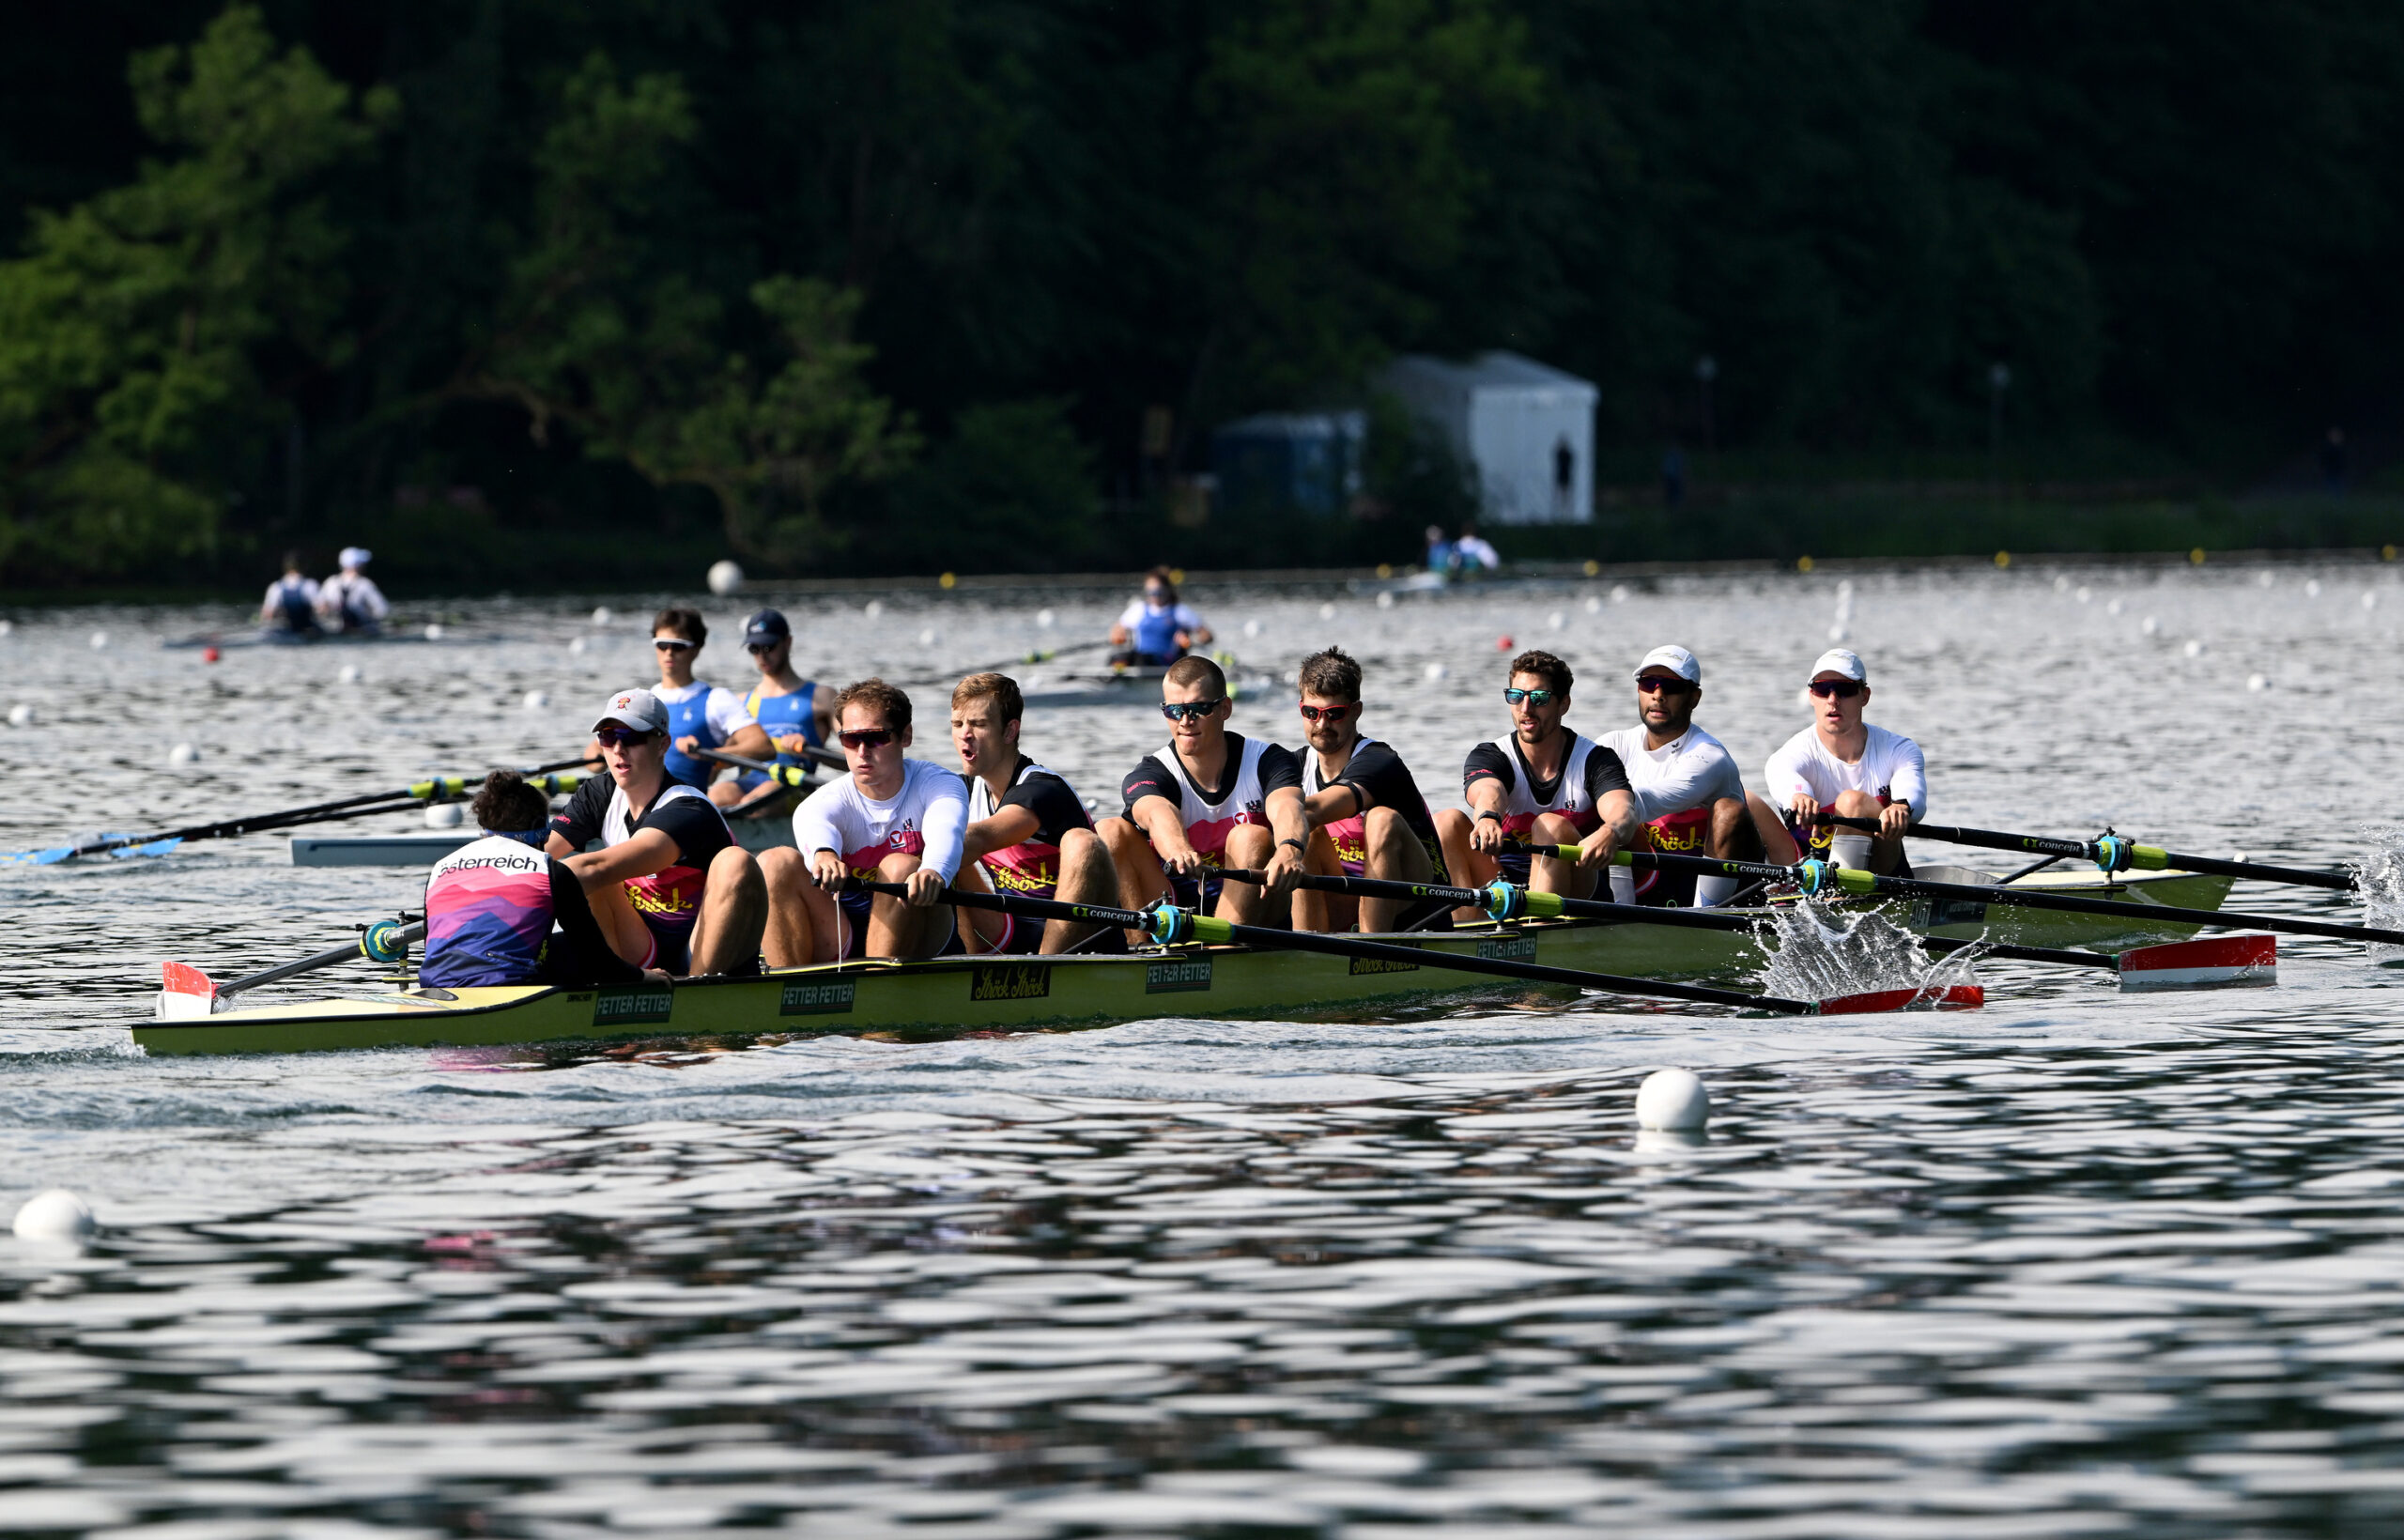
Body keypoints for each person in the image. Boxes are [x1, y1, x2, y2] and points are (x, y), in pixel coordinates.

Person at [546, 688, 768, 976]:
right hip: (641, 942)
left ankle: (698, 994)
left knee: (736, 861)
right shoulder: (598, 793)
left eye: (632, 737)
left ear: (663, 744)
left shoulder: (690, 808)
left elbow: (591, 868)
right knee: (585, 880)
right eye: (608, 737)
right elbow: (537, 855)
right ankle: (613, 986)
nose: (617, 749)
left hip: (704, 946)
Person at [760, 679, 968, 963]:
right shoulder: (824, 801)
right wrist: (823, 854)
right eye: (850, 739)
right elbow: (814, 827)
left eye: (876, 737)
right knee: (774, 861)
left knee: (900, 865)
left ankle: (877, 985)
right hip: (840, 931)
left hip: (921, 929)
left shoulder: (939, 784)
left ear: (905, 736)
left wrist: (934, 870)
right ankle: (783, 991)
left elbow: (948, 830)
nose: (862, 751)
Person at [1096, 654, 1306, 932]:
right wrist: (1180, 851)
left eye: (1198, 709)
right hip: (1176, 904)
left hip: (1260, 902)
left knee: (1250, 836)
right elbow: (1157, 812)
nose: (1185, 721)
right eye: (1174, 711)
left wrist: (1290, 849)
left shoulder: (1268, 761)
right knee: (1109, 830)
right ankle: (1142, 953)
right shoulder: (1151, 772)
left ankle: (1220, 950)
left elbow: (1287, 806)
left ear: (1225, 709)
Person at [1433, 649, 1637, 916]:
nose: (1525, 709)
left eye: (1539, 698)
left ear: (1564, 704)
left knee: (1548, 825)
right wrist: (1487, 817)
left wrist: (1611, 831)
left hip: (1580, 890)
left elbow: (1624, 811)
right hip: (1504, 884)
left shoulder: (1595, 760)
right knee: (1446, 822)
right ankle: (1465, 935)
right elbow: (1489, 790)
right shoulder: (1490, 755)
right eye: (1516, 697)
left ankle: (1539, 934)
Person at [422, 771, 666, 990]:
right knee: (581, 949)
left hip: (435, 981)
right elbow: (598, 962)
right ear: (539, 826)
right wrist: (644, 977)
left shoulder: (440, 868)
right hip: (509, 987)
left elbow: (431, 944)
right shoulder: (552, 872)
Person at [948, 672, 1119, 953]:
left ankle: (1046, 968)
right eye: (957, 724)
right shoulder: (961, 791)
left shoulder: (1044, 789)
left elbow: (983, 836)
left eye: (978, 724)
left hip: (1079, 938)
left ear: (1009, 731)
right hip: (1010, 934)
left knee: (1082, 841)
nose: (965, 734)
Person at [1290, 646, 1448, 933]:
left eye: (1334, 713)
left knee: (1378, 819)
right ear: (1301, 708)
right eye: (1312, 712)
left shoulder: (1380, 761)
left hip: (1414, 905)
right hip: (1344, 901)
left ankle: (1371, 947)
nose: (1322, 724)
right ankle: (1304, 952)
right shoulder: (1293, 767)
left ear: (1355, 712)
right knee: (1296, 832)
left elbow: (1316, 809)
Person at [1592, 645, 1756, 907]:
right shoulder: (1614, 744)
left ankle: (1707, 918)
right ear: (1638, 690)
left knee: (1728, 810)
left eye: (1672, 686)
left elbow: (1649, 800)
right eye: (1649, 683)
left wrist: (1613, 817)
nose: (1658, 695)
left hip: (1718, 888)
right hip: (1652, 880)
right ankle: (1619, 914)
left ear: (1694, 698)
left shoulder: (1709, 756)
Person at [1754, 648, 1926, 875]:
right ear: (1811, 696)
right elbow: (1784, 778)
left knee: (1852, 802)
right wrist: (1799, 796)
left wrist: (1901, 806)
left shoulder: (1898, 749)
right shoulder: (1790, 754)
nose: (1833, 700)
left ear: (1864, 696)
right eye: (1823, 689)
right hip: (1808, 871)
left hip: (1880, 873)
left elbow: (1913, 791)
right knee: (1743, 800)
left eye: (1844, 690)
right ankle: (1707, 906)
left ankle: (1842, 896)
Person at [640, 608, 774, 796]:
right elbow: (595, 764)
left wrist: (711, 755)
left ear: (696, 648)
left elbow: (763, 746)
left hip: (684, 809)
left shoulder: (717, 700)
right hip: (640, 803)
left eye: (678, 646)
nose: (669, 653)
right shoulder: (642, 701)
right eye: (662, 645)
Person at [729, 608, 834, 811]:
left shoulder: (822, 697)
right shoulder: (740, 702)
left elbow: (855, 752)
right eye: (754, 649)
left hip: (794, 786)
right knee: (716, 797)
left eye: (768, 647)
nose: (761, 656)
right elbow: (717, 765)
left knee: (752, 802)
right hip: (747, 783)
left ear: (788, 642)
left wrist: (813, 752)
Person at [1109, 566, 1211, 667]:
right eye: (1151, 593)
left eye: (1158, 592)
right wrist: (1118, 636)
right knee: (1117, 658)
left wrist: (1192, 640)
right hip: (1140, 658)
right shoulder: (1138, 609)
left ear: (1168, 590)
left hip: (1168, 660)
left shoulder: (1180, 611)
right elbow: (1116, 630)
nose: (1154, 596)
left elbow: (1207, 636)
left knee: (1143, 659)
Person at [315, 547, 390, 635]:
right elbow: (383, 610)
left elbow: (319, 608)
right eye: (362, 563)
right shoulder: (365, 584)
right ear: (357, 565)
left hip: (337, 632)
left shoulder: (331, 582)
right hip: (362, 631)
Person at [260, 552, 321, 634]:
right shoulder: (310, 585)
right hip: (306, 630)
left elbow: (267, 614)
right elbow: (321, 609)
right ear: (303, 567)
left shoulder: (275, 587)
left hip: (285, 631)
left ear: (285, 567)